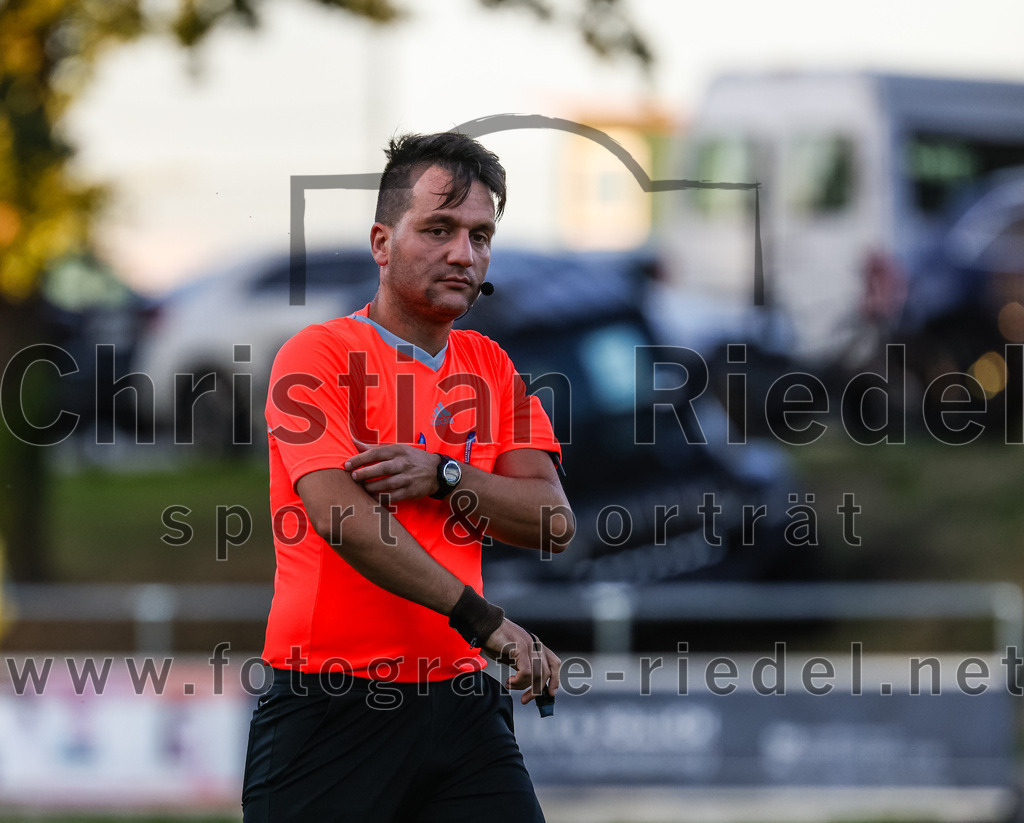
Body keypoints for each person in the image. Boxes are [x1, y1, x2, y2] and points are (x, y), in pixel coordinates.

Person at [242, 131, 575, 822]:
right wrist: (484, 620)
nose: (465, 252)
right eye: (439, 228)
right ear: (382, 242)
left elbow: (553, 521)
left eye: (481, 234)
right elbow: (345, 520)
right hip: (328, 707)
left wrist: (445, 474)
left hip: (460, 702)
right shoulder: (318, 354)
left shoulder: (490, 365)